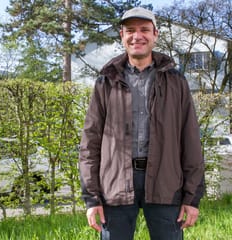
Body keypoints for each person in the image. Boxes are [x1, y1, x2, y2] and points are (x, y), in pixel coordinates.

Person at [78, 7, 205, 240]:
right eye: (131, 30)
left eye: (144, 30)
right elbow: (90, 143)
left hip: (166, 183)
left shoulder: (176, 81)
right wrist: (92, 197)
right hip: (115, 185)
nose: (137, 36)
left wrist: (192, 197)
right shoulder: (106, 82)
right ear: (122, 35)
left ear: (155, 34)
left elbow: (190, 139)